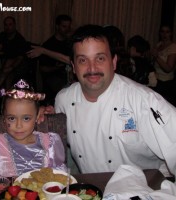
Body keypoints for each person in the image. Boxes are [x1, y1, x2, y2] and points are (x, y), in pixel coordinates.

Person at [39, 24, 176, 179]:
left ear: (114, 61)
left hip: (144, 189)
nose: (92, 68)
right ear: (74, 67)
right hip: (92, 189)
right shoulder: (63, 99)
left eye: (100, 58)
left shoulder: (144, 101)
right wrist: (42, 119)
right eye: (83, 60)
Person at [0, 79, 66, 178]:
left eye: (26, 118)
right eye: (12, 118)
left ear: (37, 117)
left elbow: (59, 176)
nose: (19, 125)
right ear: (4, 118)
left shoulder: (49, 143)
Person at [27, 14, 73, 105]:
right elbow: (43, 69)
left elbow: (71, 61)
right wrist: (56, 68)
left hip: (67, 76)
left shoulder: (70, 43)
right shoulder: (49, 44)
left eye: (68, 27)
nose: (67, 29)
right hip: (53, 78)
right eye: (64, 26)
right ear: (57, 26)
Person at [0, 16, 28, 94]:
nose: (7, 27)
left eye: (10, 24)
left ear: (14, 25)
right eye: (6, 25)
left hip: (19, 65)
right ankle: (6, 95)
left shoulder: (19, 39)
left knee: (8, 67)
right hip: (6, 65)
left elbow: (20, 58)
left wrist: (11, 67)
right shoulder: (2, 35)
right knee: (8, 71)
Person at [151, 24, 176, 105]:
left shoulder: (173, 47)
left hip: (166, 83)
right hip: (156, 80)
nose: (164, 34)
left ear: (171, 33)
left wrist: (156, 56)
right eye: (162, 32)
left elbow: (168, 69)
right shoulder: (159, 44)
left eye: (167, 32)